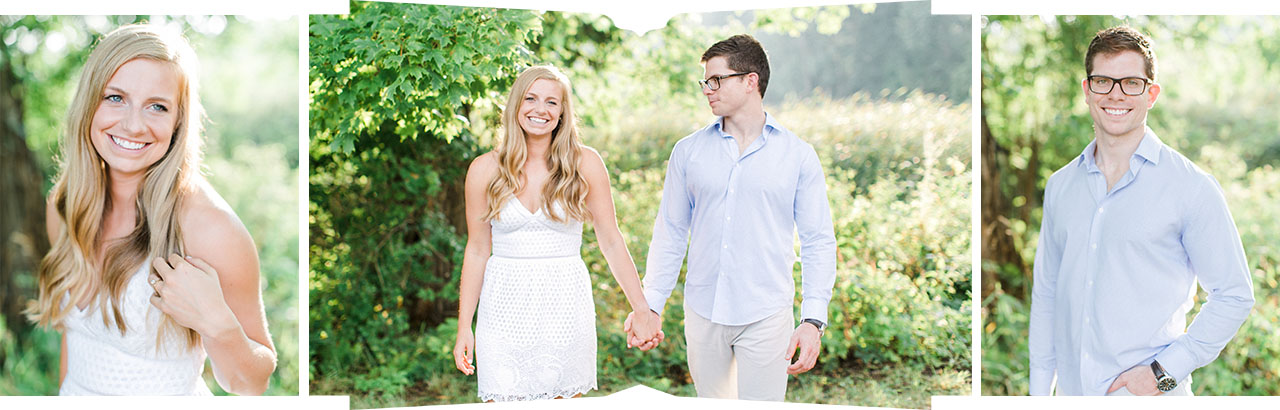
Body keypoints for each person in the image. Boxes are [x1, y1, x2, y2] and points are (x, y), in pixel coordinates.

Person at [25, 24, 277, 396]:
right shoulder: (65, 206)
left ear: (179, 121)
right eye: (115, 98)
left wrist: (217, 323)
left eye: (157, 106)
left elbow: (253, 383)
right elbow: (73, 344)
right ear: (89, 101)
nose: (133, 124)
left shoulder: (210, 229)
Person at [1028, 26, 1255, 396]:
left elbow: (1234, 295)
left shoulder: (1191, 187)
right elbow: (1048, 294)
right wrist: (1039, 396)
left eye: (1131, 82)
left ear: (1151, 94)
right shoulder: (1060, 187)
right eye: (1103, 81)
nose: (1116, 94)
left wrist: (1163, 373)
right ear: (1087, 91)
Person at [628, 34, 837, 401]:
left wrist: (812, 320)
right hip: (703, 311)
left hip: (767, 313)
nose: (708, 89)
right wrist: (651, 305)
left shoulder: (798, 156)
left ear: (750, 81)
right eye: (705, 82)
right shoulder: (688, 152)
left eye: (716, 80)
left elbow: (818, 240)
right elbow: (671, 232)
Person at [451, 65, 662, 402]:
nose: (540, 109)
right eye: (531, 99)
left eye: (552, 102)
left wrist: (642, 309)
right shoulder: (484, 169)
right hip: (504, 306)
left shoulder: (585, 163)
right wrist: (465, 326)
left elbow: (610, 239)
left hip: (564, 305)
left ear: (563, 112)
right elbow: (477, 249)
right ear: (516, 105)